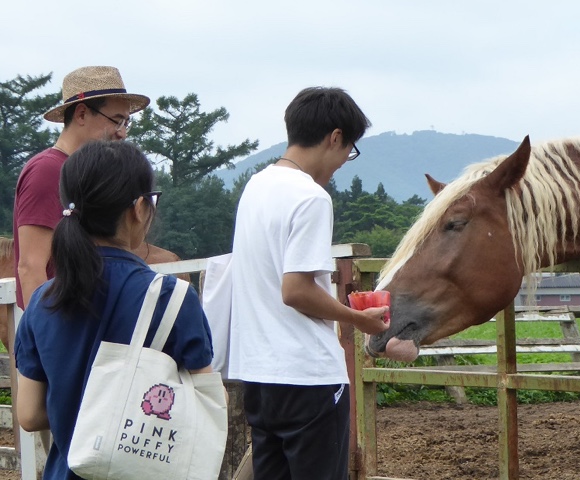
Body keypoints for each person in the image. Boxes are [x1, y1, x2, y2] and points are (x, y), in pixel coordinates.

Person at [13, 141, 215, 479]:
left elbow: (30, 415)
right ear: (138, 207)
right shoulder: (173, 298)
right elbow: (207, 400)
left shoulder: (43, 300)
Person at [229, 87, 390, 479]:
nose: (341, 164)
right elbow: (296, 290)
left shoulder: (255, 187)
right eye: (347, 151)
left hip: (260, 376)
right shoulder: (311, 197)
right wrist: (358, 319)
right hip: (307, 376)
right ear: (335, 137)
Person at [14, 65, 150, 309]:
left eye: (127, 123)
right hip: (63, 329)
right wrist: (46, 336)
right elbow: (30, 267)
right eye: (116, 121)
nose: (122, 134)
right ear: (81, 114)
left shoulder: (87, 173)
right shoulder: (47, 171)